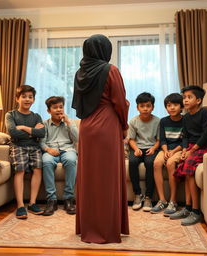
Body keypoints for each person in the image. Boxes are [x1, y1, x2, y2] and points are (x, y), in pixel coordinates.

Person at [72, 34, 129, 244]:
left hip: (86, 127)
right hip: (107, 125)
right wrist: (124, 126)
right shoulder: (111, 69)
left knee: (89, 179)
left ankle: (87, 228)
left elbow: (79, 104)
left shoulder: (80, 72)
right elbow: (120, 102)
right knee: (107, 179)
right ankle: (107, 229)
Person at [170, 85, 207, 225]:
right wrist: (184, 150)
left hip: (203, 146)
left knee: (188, 165)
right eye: (184, 97)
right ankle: (187, 208)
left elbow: (206, 135)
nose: (186, 100)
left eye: (189, 97)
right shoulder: (186, 117)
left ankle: (195, 211)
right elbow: (185, 136)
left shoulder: (204, 114)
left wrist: (192, 150)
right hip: (190, 147)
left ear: (199, 100)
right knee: (183, 167)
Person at [5, 85, 45, 219]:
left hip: (34, 147)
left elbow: (42, 133)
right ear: (17, 98)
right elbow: (13, 133)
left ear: (33, 100)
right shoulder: (10, 115)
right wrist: (32, 131)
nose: (27, 99)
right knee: (20, 170)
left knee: (38, 169)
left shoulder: (37, 116)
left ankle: (32, 203)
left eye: (30, 97)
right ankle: (20, 205)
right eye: (24, 96)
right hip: (18, 146)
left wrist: (23, 128)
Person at [40, 96, 78, 216]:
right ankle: (52, 200)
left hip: (67, 149)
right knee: (46, 161)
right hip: (51, 150)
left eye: (60, 107)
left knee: (71, 160)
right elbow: (41, 141)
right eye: (55, 107)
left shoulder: (69, 122)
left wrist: (68, 122)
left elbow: (78, 138)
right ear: (48, 111)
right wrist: (48, 149)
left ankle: (69, 199)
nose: (58, 110)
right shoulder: (44, 124)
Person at [151, 93, 183, 216]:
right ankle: (162, 200)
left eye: (175, 105)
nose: (172, 108)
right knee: (157, 163)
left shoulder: (185, 120)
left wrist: (173, 152)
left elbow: (184, 140)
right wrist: (165, 151)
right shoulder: (163, 121)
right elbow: (162, 139)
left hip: (179, 149)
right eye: (169, 105)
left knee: (170, 163)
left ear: (181, 107)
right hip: (165, 149)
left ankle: (173, 201)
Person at [128, 92, 160, 212]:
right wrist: (136, 149)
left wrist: (153, 148)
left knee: (150, 164)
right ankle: (137, 194)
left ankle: (148, 197)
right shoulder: (133, 121)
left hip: (151, 148)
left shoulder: (158, 121)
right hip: (137, 148)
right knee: (132, 162)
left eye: (148, 106)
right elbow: (131, 139)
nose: (145, 109)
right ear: (137, 107)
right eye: (142, 106)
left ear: (153, 107)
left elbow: (159, 140)